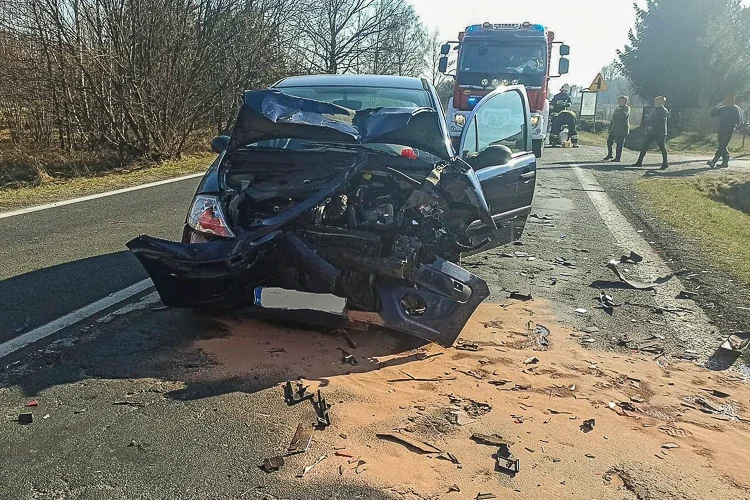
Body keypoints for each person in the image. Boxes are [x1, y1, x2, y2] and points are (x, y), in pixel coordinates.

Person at [633, 96, 670, 170]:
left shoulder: (664, 111)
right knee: (645, 146)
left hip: (660, 132)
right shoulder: (655, 110)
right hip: (652, 132)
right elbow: (650, 119)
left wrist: (652, 126)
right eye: (655, 102)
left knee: (662, 148)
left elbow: (660, 121)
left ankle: (665, 163)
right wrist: (648, 125)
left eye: (658, 102)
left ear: (662, 102)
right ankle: (639, 162)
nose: (656, 103)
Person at [707, 94, 743, 168]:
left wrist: (736, 127)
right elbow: (712, 114)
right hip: (721, 129)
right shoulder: (722, 108)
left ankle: (714, 161)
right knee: (722, 146)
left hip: (729, 130)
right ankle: (725, 162)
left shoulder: (735, 109)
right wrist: (718, 105)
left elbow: (739, 120)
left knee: (722, 146)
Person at [603, 96, 631, 162]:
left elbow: (624, 115)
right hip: (614, 128)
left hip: (622, 129)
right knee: (609, 141)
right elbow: (613, 119)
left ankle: (618, 158)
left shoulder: (627, 108)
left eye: (621, 101)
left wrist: (619, 111)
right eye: (619, 100)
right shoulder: (617, 109)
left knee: (619, 144)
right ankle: (610, 154)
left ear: (625, 101)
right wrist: (610, 128)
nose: (619, 102)